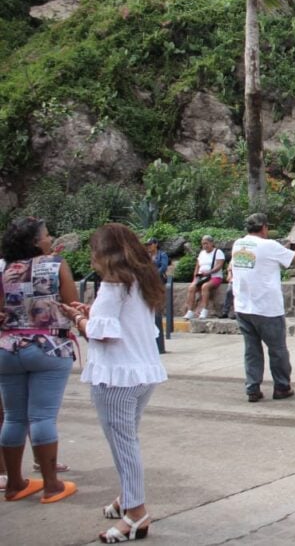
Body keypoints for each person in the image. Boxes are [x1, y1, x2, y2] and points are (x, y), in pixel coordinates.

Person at [60, 224, 167, 542]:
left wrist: (77, 319)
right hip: (142, 373)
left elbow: (100, 333)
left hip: (117, 376)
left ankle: (136, 514)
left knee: (123, 444)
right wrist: (91, 314)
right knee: (128, 440)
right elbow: (125, 322)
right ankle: (128, 498)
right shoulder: (142, 280)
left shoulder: (112, 284)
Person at [0, 216, 78, 503]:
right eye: (46, 235)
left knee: (13, 417)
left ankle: (14, 484)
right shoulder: (56, 265)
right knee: (42, 417)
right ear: (35, 241)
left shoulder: (4, 269)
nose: (49, 238)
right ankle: (52, 485)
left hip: (8, 349)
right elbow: (71, 302)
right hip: (48, 347)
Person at [231, 213, 295, 403]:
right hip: (266, 307)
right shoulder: (269, 246)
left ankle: (252, 388)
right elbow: (294, 259)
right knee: (277, 349)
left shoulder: (238, 245)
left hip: (243, 306)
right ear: (264, 227)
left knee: (251, 349)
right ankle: (282, 386)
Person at [183, 235, 225, 320]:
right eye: (203, 244)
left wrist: (209, 272)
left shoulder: (218, 252)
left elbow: (219, 265)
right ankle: (190, 311)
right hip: (201, 277)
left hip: (214, 276)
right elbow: (197, 266)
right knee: (191, 288)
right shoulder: (202, 253)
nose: (205, 245)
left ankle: (204, 310)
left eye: (207, 243)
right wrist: (195, 277)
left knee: (205, 287)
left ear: (212, 243)